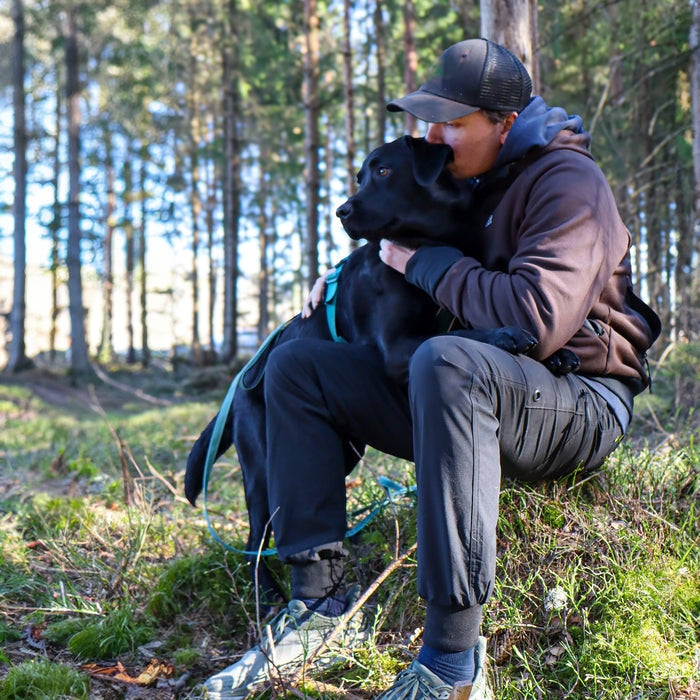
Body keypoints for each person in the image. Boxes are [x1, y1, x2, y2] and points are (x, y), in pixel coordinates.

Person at [203, 38, 660, 700]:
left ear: (505, 122)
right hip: (479, 397)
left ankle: (452, 660)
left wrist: (421, 265)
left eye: (452, 122)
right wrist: (338, 277)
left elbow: (533, 319)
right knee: (299, 366)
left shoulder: (569, 184)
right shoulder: (471, 182)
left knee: (444, 360)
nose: (435, 137)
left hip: (579, 402)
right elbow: (404, 242)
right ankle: (319, 603)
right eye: (430, 121)